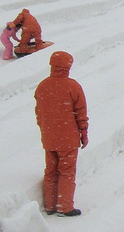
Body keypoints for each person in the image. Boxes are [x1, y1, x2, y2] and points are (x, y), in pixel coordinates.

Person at [35, 51, 89, 217]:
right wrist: (83, 132)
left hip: (49, 137)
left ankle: (50, 206)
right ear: (68, 66)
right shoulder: (73, 86)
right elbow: (80, 112)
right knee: (66, 172)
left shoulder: (42, 86)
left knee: (50, 171)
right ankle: (64, 207)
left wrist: (46, 129)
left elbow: (39, 112)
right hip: (68, 138)